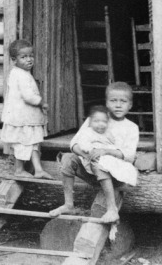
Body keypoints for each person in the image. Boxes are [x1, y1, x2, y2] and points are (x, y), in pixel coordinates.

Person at [50, 82, 139, 223]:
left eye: (123, 101)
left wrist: (105, 151)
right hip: (91, 170)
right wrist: (86, 155)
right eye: (113, 101)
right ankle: (68, 204)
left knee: (101, 161)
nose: (118, 105)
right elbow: (73, 143)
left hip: (116, 176)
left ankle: (112, 209)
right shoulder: (97, 119)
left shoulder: (131, 127)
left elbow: (129, 155)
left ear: (130, 105)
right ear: (107, 103)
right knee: (67, 158)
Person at [0, 39, 52, 179]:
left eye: (31, 56)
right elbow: (28, 96)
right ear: (13, 59)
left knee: (33, 142)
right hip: (22, 119)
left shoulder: (23, 73)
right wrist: (41, 102)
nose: (29, 60)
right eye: (24, 57)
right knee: (23, 143)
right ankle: (19, 170)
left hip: (28, 119)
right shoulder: (19, 75)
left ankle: (38, 170)